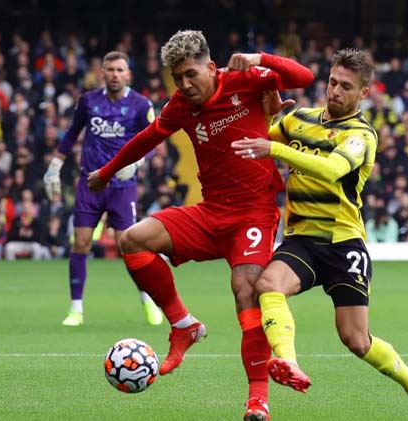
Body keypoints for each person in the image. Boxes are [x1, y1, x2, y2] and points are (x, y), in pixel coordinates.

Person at [87, 30, 313, 421]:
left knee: (246, 289)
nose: (185, 85)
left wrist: (260, 57)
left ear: (211, 66)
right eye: (178, 78)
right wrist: (106, 174)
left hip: (254, 214)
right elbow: (146, 139)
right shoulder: (180, 105)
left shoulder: (245, 79)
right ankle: (183, 325)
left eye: (191, 74)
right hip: (210, 213)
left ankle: (257, 400)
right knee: (133, 239)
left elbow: (304, 77)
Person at [232, 48, 408, 420]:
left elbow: (330, 170)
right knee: (268, 285)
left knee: (356, 340)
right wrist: (266, 114)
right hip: (301, 240)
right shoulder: (298, 120)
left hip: (344, 244)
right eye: (332, 82)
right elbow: (255, 138)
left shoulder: (362, 135)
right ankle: (288, 362)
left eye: (346, 87)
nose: (335, 92)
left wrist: (275, 148)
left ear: (363, 93)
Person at [43, 51, 163, 327]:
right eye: (110, 70)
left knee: (129, 246)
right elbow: (73, 132)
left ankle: (148, 300)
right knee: (81, 241)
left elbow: (154, 139)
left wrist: (138, 163)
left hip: (123, 185)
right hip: (90, 182)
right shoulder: (88, 101)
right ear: (102, 73)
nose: (114, 75)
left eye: (120, 70)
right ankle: (76, 310)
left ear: (128, 74)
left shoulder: (140, 104)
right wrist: (55, 165)